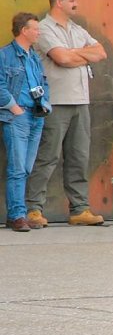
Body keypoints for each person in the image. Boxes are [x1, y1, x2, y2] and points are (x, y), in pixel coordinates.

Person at [27, 0, 106, 227]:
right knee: (48, 156)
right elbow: (60, 58)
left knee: (79, 157)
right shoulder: (44, 28)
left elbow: (101, 52)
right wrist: (80, 54)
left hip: (81, 102)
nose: (76, 3)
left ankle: (79, 208)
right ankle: (33, 208)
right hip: (56, 102)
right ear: (58, 2)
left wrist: (73, 53)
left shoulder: (77, 29)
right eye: (72, 0)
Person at [0, 13, 51, 232]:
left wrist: (46, 103)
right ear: (24, 30)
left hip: (36, 116)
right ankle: (17, 215)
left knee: (26, 168)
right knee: (18, 168)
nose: (38, 32)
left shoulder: (34, 57)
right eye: (35, 29)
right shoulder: (5, 55)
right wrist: (14, 107)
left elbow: (43, 82)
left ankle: (18, 213)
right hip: (18, 117)